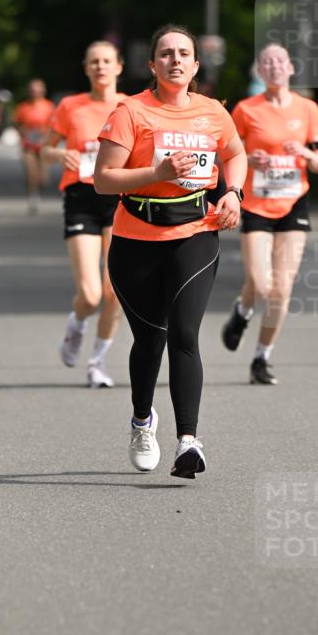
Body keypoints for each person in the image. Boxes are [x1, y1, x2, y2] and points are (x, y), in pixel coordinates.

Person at [95, 24, 247, 477]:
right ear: (152, 65)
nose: (175, 60)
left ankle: (188, 441)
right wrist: (156, 172)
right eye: (166, 53)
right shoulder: (131, 112)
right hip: (135, 238)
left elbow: (235, 153)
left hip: (197, 232)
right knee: (149, 340)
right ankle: (142, 421)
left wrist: (233, 192)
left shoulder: (213, 112)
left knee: (184, 334)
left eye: (184, 53)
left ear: (196, 65)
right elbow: (104, 179)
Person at [220, 43, 318, 384]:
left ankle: (261, 358)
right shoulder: (245, 110)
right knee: (261, 283)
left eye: (279, 61)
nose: (273, 67)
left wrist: (307, 156)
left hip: (294, 202)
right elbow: (230, 155)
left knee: (282, 288)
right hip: (255, 204)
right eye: (266, 62)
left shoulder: (308, 109)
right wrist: (251, 160)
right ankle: (243, 310)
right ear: (260, 71)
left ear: (291, 68)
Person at [41, 42, 126, 389]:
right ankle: (77, 323)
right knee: (91, 295)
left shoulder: (129, 106)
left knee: (114, 291)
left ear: (118, 66)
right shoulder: (70, 106)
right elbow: (44, 148)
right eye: (94, 62)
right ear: (86, 68)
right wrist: (59, 155)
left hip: (119, 198)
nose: (101, 67)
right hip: (81, 198)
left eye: (106, 61)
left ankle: (97, 362)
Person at [13, 79, 55, 214]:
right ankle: (33, 197)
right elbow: (17, 124)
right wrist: (22, 132)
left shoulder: (49, 107)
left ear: (43, 91)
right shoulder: (23, 107)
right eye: (32, 90)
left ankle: (39, 185)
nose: (35, 93)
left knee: (43, 179)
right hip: (28, 145)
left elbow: (55, 125)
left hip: (44, 145)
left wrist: (48, 136)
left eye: (38, 90)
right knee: (31, 173)